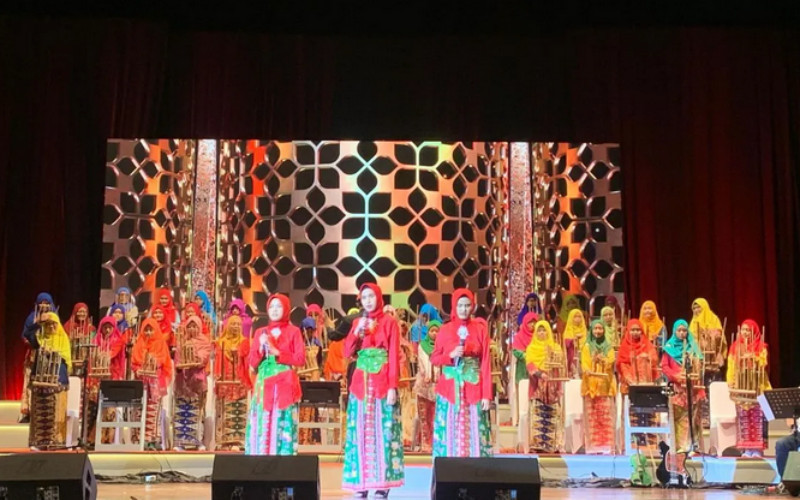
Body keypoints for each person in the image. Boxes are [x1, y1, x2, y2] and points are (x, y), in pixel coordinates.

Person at [342, 284, 404, 498]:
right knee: (359, 432)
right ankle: (360, 484)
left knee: (383, 432)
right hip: (361, 384)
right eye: (364, 297)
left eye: (371, 296)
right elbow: (347, 352)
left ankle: (381, 485)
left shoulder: (389, 323)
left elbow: (394, 355)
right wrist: (356, 333)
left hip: (381, 383)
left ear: (379, 297)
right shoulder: (358, 323)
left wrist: (392, 386)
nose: (368, 300)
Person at [431, 288, 493, 458]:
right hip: (449, 390)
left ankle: (477, 474)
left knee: (475, 430)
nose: (464, 309)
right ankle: (448, 473)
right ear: (454, 306)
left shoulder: (480, 329)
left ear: (472, 307)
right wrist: (450, 356)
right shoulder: (445, 329)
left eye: (467, 305)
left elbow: (486, 362)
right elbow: (434, 358)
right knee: (449, 431)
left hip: (473, 388)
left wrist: (487, 394)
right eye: (460, 305)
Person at [245, 293, 304, 455]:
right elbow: (252, 362)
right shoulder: (260, 333)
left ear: (286, 309)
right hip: (264, 381)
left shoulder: (294, 331)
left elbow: (300, 359)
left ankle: (282, 456)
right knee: (263, 418)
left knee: (282, 419)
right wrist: (259, 348)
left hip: (284, 382)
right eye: (272, 306)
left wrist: (277, 352)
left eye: (279, 306)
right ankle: (261, 456)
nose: (275, 310)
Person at [25, 311, 71, 450]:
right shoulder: (40, 339)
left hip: (58, 381)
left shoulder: (63, 339)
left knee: (56, 412)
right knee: (39, 411)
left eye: (54, 325)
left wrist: (54, 354)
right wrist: (38, 322)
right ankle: (38, 443)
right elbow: (28, 334)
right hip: (40, 380)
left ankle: (56, 442)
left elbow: (65, 360)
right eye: (48, 324)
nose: (51, 327)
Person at [726, 319, 770, 457]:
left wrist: (754, 357)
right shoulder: (735, 347)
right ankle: (745, 448)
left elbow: (764, 362)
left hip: (757, 386)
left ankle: (757, 448)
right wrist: (731, 382)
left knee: (758, 417)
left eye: (748, 330)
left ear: (754, 332)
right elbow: (731, 366)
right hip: (741, 386)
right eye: (743, 330)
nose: (745, 333)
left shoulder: (760, 346)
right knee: (743, 417)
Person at [662, 319, 706, 453]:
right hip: (676, 389)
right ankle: (679, 447)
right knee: (678, 417)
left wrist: (694, 372)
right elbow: (664, 366)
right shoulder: (669, 347)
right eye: (679, 330)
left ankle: (693, 446)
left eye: (684, 331)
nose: (682, 333)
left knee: (693, 417)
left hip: (692, 388)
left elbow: (700, 367)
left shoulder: (693, 347)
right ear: (675, 331)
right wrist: (676, 376)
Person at [616, 319, 659, 448]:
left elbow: (654, 360)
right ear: (628, 331)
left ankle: (649, 444)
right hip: (630, 387)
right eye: (633, 330)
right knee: (632, 414)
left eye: (638, 330)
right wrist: (631, 381)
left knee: (647, 413)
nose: (635, 332)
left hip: (646, 387)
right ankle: (633, 444)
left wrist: (646, 358)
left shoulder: (648, 345)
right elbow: (621, 364)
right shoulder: (624, 347)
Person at [131, 317, 173, 450]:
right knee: (139, 410)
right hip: (141, 383)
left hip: (155, 382)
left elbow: (163, 360)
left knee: (153, 411)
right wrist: (138, 370)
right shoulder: (139, 344)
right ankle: (139, 439)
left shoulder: (161, 344)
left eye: (151, 330)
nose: (148, 333)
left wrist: (153, 362)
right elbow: (134, 363)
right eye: (146, 330)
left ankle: (152, 440)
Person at [525, 319, 566, 453]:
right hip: (537, 386)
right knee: (538, 413)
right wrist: (539, 374)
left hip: (553, 386)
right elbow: (529, 364)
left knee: (553, 413)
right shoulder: (531, 348)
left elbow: (561, 364)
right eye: (539, 330)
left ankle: (553, 445)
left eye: (544, 330)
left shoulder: (556, 347)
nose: (542, 333)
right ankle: (537, 445)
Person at [172, 316, 212, 450]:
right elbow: (178, 359)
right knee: (182, 411)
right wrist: (178, 367)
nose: (192, 329)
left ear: (199, 327)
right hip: (182, 382)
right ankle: (181, 443)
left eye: (195, 326)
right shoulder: (182, 341)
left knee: (197, 412)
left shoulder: (205, 341)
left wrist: (191, 350)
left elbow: (203, 358)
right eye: (189, 326)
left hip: (197, 381)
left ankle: (198, 442)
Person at [85, 317, 126, 448]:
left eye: (110, 327)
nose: (107, 330)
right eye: (105, 327)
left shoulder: (118, 340)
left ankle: (107, 439)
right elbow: (92, 359)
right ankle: (90, 439)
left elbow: (111, 355)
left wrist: (102, 354)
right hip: (97, 378)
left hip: (111, 378)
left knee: (109, 409)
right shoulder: (95, 341)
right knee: (93, 408)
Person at [214, 315, 250, 450]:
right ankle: (224, 440)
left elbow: (247, 358)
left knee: (239, 409)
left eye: (237, 324)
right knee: (224, 409)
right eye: (233, 324)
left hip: (239, 381)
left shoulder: (244, 342)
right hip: (225, 380)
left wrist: (238, 352)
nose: (235, 327)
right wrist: (218, 375)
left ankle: (238, 441)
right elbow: (218, 360)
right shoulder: (221, 342)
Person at [19, 292, 57, 423]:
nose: (44, 305)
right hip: (34, 354)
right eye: (42, 302)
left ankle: (44, 412)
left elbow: (58, 334)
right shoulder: (32, 317)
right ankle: (28, 411)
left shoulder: (54, 317)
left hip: (50, 355)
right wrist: (34, 343)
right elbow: (25, 335)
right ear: (37, 304)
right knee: (30, 382)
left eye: (47, 303)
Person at [581, 320, 617, 454]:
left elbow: (611, 361)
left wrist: (603, 360)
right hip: (590, 385)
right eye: (595, 328)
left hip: (605, 386)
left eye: (600, 328)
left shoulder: (608, 347)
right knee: (592, 417)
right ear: (591, 330)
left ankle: (607, 446)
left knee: (606, 417)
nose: (597, 331)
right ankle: (593, 447)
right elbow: (584, 364)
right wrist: (588, 368)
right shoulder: (586, 347)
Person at [413, 319, 440, 453]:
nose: (434, 333)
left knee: (435, 416)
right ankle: (425, 443)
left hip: (438, 386)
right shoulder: (422, 346)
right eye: (432, 331)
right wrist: (427, 374)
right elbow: (423, 362)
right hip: (424, 385)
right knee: (424, 416)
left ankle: (436, 443)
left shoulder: (441, 345)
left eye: (436, 331)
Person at [64, 303, 95, 375]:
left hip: (85, 360)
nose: (82, 314)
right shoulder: (67, 326)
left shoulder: (91, 328)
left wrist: (85, 338)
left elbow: (93, 343)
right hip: (71, 358)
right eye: (79, 311)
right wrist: (72, 338)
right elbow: (64, 342)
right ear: (75, 312)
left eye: (84, 312)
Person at [562, 309, 587, 378]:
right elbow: (565, 344)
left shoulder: (584, 330)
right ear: (571, 318)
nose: (578, 319)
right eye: (575, 317)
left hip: (583, 357)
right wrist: (573, 339)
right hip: (572, 357)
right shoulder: (568, 330)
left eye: (580, 317)